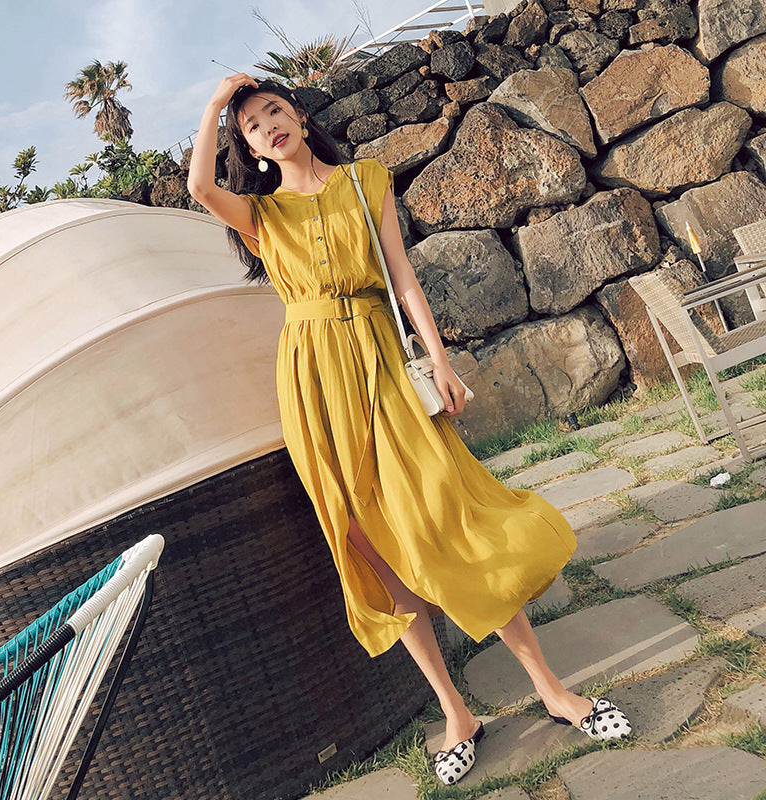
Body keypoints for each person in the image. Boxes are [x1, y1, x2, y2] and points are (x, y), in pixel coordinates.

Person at [187, 72, 631, 785]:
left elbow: (402, 281)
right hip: (312, 384)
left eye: (274, 111)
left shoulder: (366, 180)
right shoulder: (261, 216)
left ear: (297, 116)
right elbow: (200, 191)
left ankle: (551, 688)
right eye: (250, 127)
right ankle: (456, 712)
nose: (267, 125)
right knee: (369, 543)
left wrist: (441, 361)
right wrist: (215, 106)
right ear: (250, 148)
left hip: (384, 368)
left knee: (446, 514)